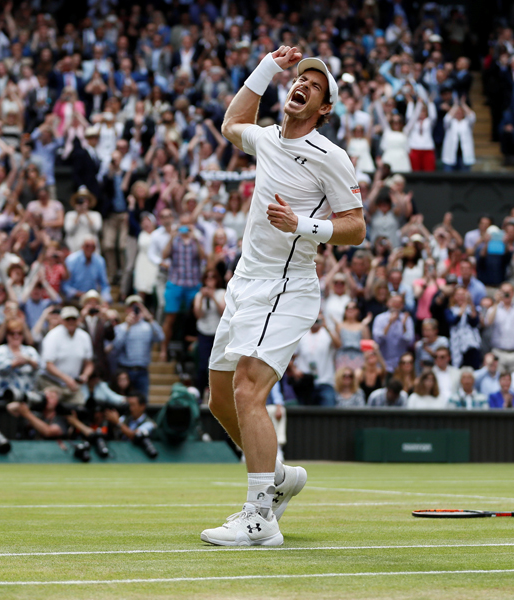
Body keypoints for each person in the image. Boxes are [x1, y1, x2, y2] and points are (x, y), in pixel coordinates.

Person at [201, 48, 366, 547]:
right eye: (300, 80)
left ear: (324, 108)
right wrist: (267, 66)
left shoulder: (331, 156)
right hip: (245, 282)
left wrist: (303, 225)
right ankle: (277, 476)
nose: (303, 86)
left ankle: (259, 520)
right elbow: (232, 123)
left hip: (287, 285)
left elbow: (355, 227)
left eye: (314, 86)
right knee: (219, 399)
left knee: (248, 389)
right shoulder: (268, 138)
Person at [160, 212, 206, 362]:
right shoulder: (174, 239)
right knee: (170, 317)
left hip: (193, 284)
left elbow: (204, 258)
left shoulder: (197, 238)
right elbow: (164, 255)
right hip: (175, 282)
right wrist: (171, 237)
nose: (185, 227)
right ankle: (163, 350)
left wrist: (195, 239)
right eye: (183, 224)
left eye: (188, 224)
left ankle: (195, 350)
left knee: (196, 316)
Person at [37, 306, 95, 405]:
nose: (71, 322)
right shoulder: (53, 336)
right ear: (62, 320)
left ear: (79, 320)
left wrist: (85, 375)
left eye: (73, 319)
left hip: (73, 385)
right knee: (51, 404)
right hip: (52, 383)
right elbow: (48, 365)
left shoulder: (84, 337)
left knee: (80, 406)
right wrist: (67, 379)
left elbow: (89, 363)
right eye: (68, 319)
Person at [111, 296, 164, 398]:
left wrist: (150, 318)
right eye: (131, 307)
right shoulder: (120, 328)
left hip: (142, 371)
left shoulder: (148, 327)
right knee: (123, 401)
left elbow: (161, 337)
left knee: (142, 400)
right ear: (127, 309)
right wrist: (127, 326)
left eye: (137, 307)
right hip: (125, 371)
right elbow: (116, 347)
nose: (134, 310)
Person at [0, 319, 41, 399]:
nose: (16, 336)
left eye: (19, 333)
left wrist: (28, 360)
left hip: (26, 395)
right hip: (2, 395)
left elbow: (40, 366)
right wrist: (16, 362)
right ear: (7, 335)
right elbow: (0, 367)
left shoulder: (30, 350)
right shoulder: (1, 350)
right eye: (12, 333)